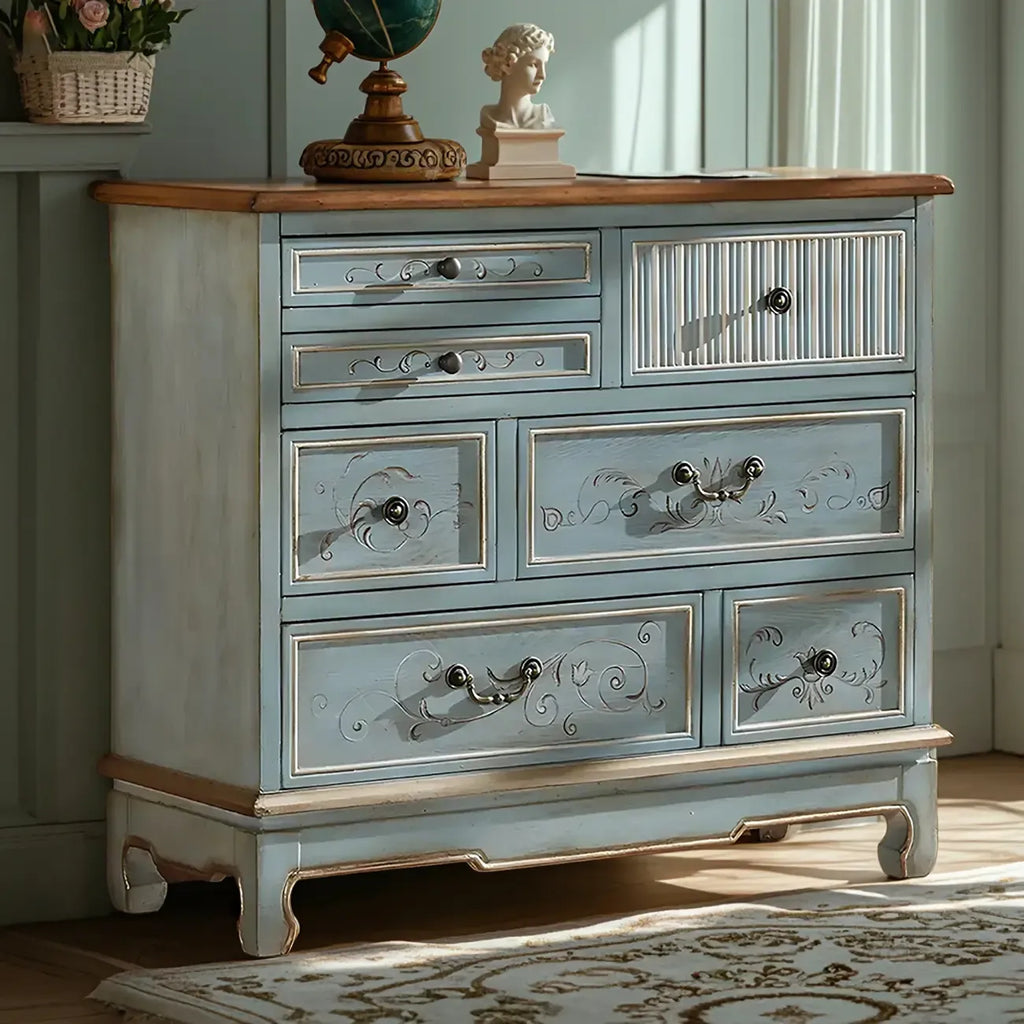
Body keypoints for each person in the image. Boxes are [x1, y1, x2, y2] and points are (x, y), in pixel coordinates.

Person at [479, 24, 558, 131]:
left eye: (544, 64)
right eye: (534, 65)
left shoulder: (543, 117)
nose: (542, 75)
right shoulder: (489, 117)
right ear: (507, 65)